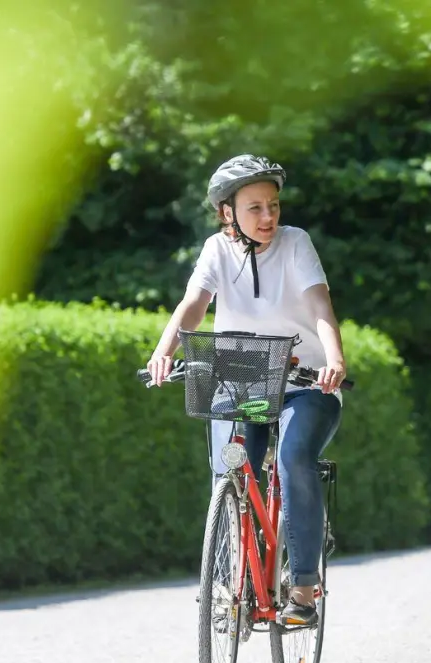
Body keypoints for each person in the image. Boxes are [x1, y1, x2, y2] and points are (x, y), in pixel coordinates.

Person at [146, 154, 347, 627]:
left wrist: (335, 358)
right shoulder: (217, 250)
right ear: (227, 213)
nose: (268, 217)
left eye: (273, 205)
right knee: (229, 471)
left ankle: (302, 588)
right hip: (242, 381)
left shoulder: (296, 243)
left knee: (293, 457)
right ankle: (233, 578)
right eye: (254, 208)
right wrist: (163, 350)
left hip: (306, 382)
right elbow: (194, 304)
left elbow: (320, 303)